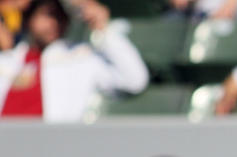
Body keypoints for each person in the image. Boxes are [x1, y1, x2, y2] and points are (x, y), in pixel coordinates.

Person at [0, 0, 148, 121]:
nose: (54, 23)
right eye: (47, 15)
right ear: (28, 19)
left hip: (56, 148)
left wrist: (103, 29)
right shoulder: (7, 60)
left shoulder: (81, 57)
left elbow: (135, 80)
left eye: (60, 16)